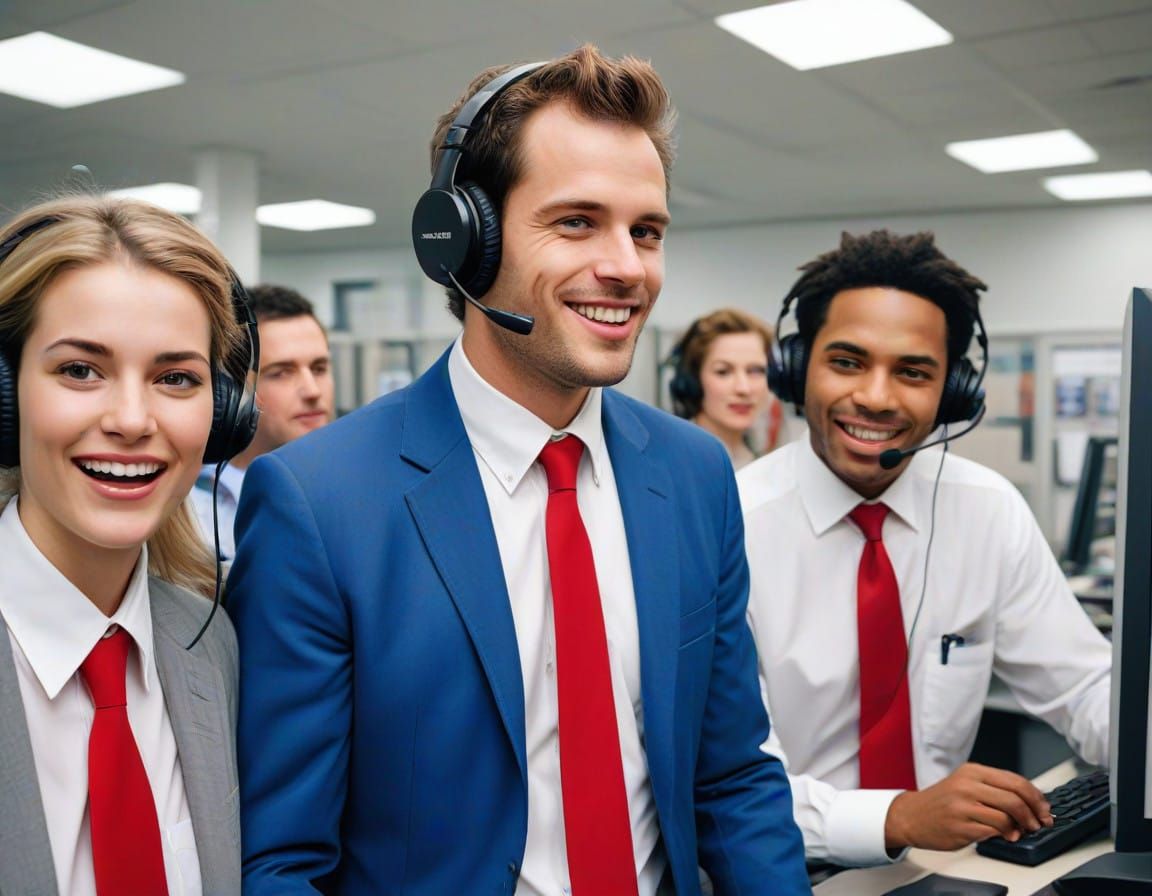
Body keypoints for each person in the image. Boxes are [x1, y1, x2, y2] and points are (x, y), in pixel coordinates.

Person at [228, 45, 807, 895]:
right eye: (577, 222)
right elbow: (282, 859)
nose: (627, 266)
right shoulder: (318, 501)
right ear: (463, 238)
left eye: (646, 231)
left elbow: (731, 776)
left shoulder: (693, 474)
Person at [739, 229, 1111, 867]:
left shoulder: (987, 512)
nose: (877, 398)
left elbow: (1084, 688)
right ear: (798, 370)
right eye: (847, 362)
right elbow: (725, 782)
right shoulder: (732, 524)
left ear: (953, 393)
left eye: (913, 372)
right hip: (775, 869)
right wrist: (897, 815)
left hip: (934, 867)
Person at [0, 195, 254, 894]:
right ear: (6, 393)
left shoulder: (213, 645)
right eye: (81, 370)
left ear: (224, 414)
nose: (133, 420)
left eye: (176, 378)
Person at [190, 283, 333, 560]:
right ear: (233, 389)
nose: (313, 390)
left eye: (319, 368)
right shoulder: (186, 504)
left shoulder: (356, 487)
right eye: (281, 373)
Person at [667, 308, 779, 469]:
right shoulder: (670, 464)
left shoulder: (767, 467)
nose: (743, 388)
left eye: (756, 371)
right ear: (692, 380)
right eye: (723, 372)